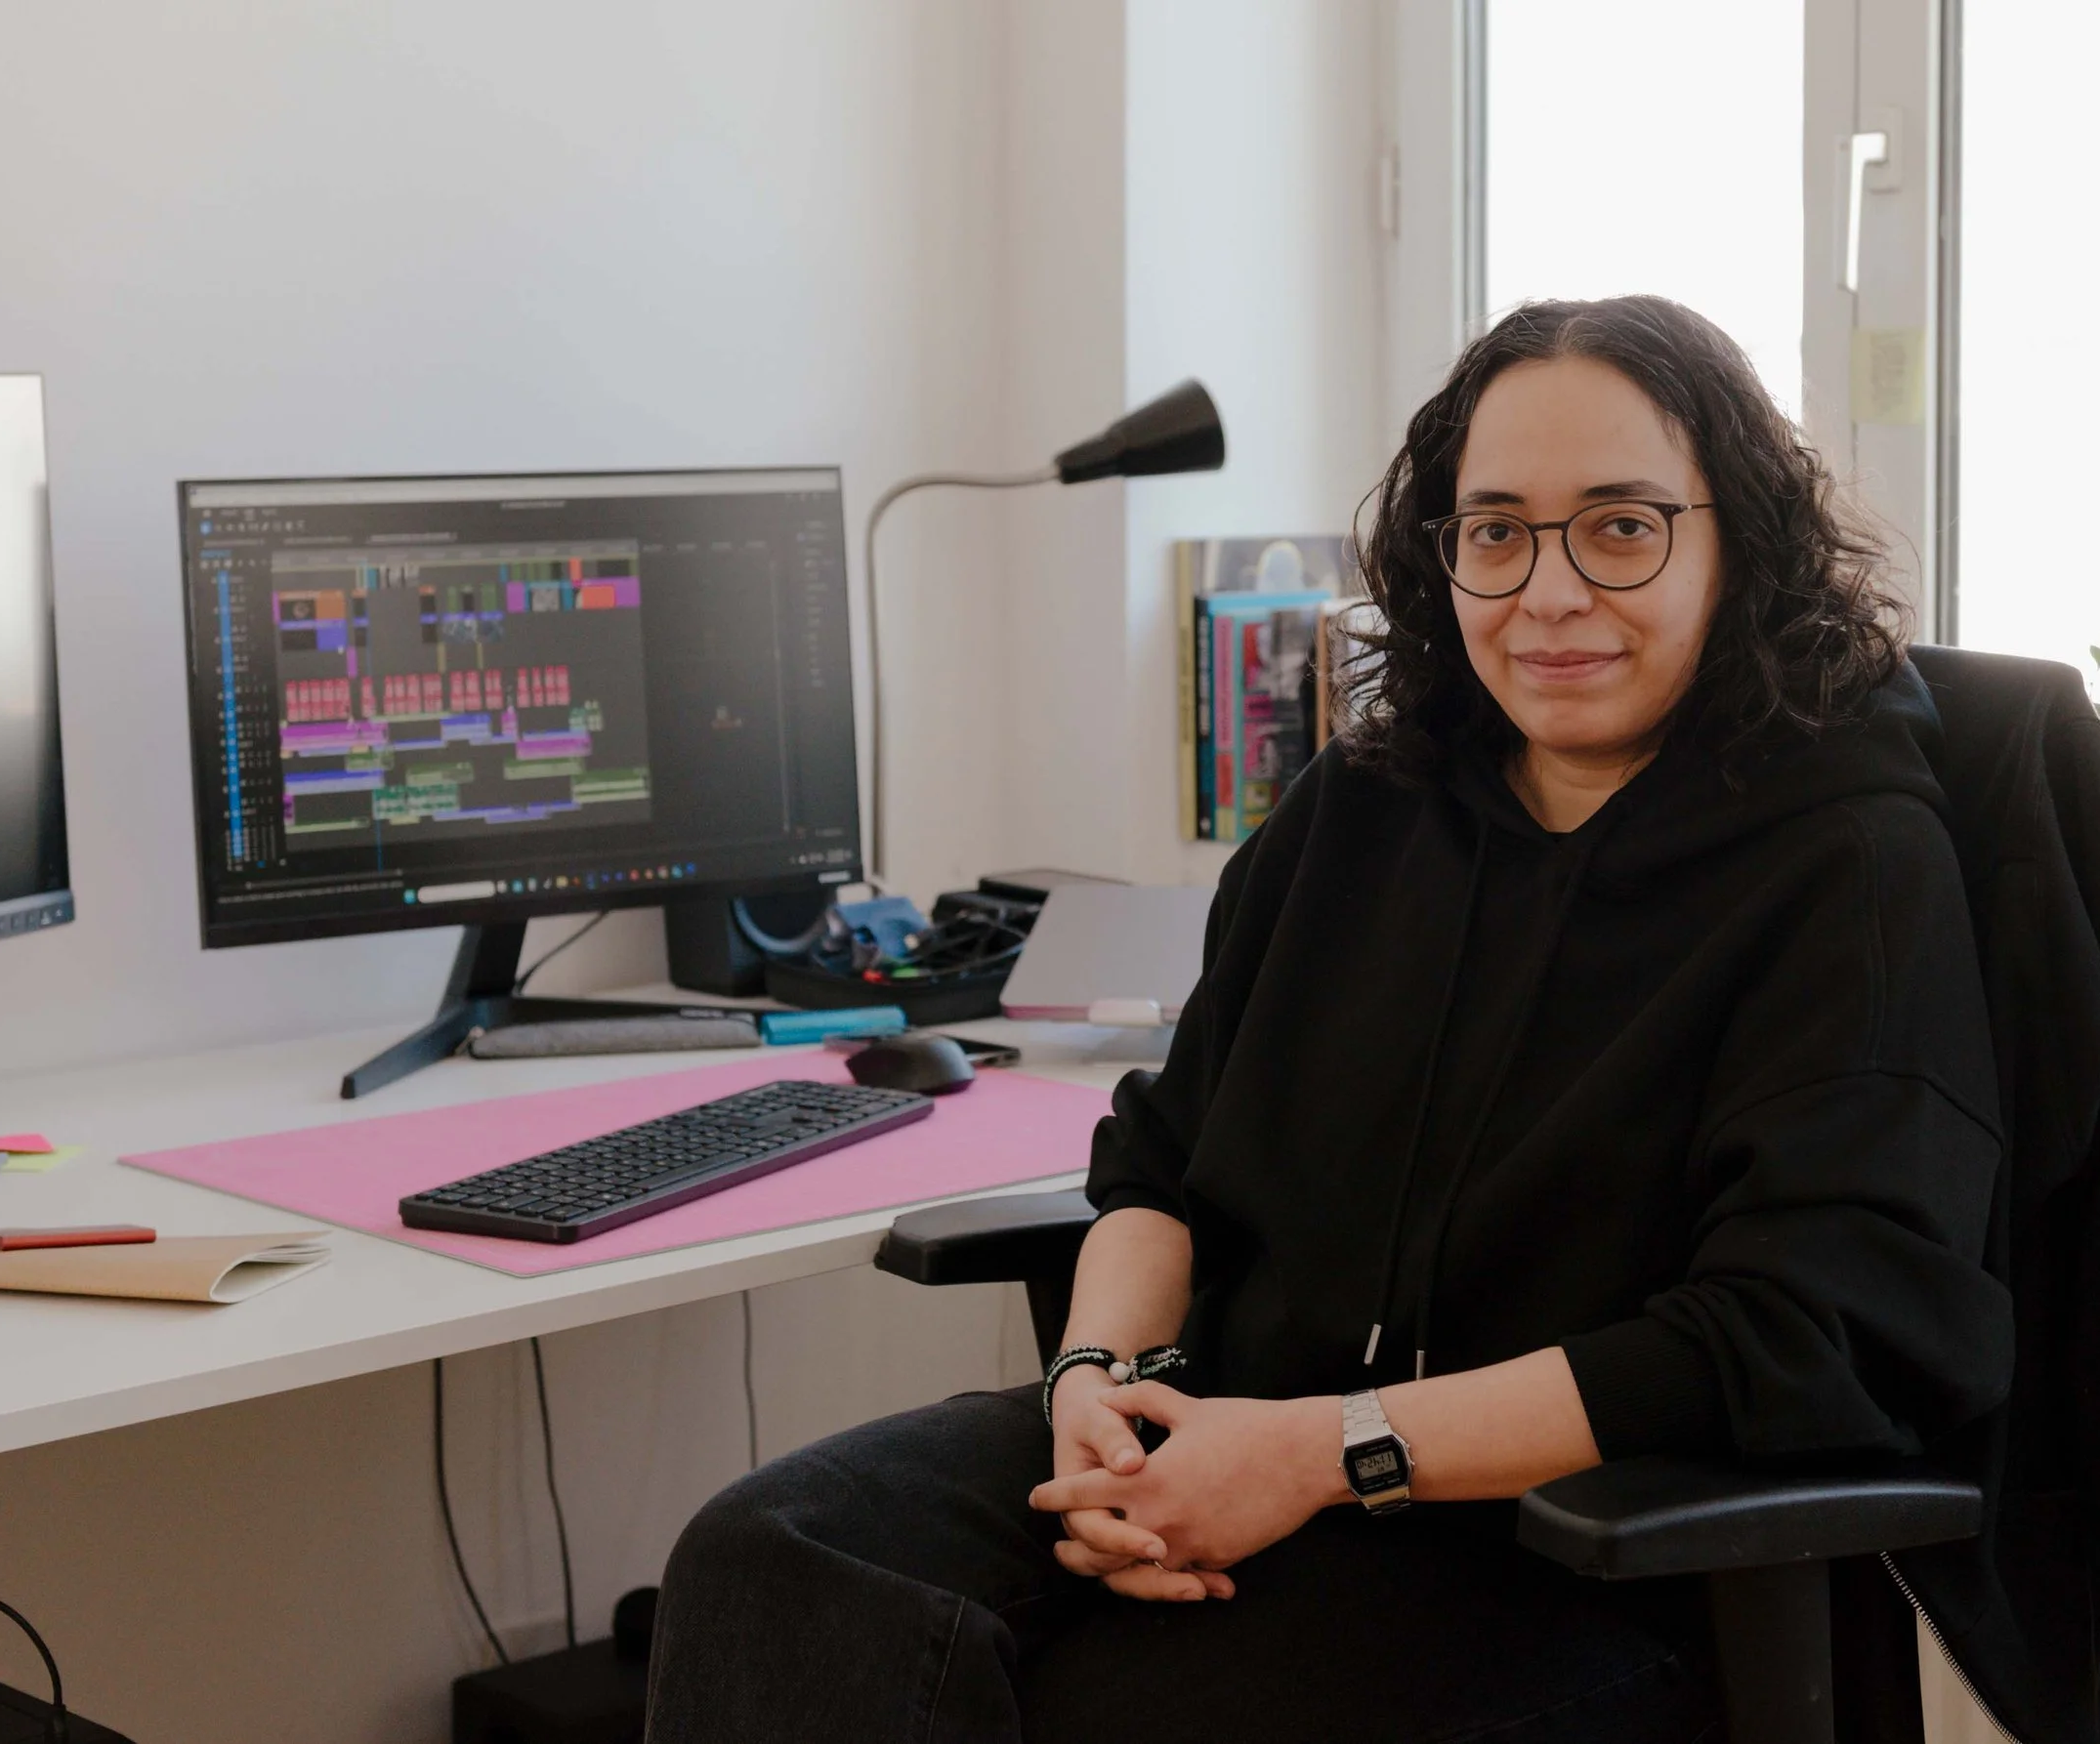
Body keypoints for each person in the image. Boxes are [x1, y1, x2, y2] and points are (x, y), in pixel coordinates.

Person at [644, 297, 2016, 1743]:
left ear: (1737, 542)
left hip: (1571, 1547)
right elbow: (1161, 1160)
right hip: (1236, 1434)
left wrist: (1323, 1455)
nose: (1548, 590)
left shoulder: (1847, 865)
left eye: (1621, 526)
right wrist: (1094, 1387)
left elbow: (1790, 1336)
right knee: (767, 1565)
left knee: (1125, 1708)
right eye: (1496, 530)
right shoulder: (1365, 808)